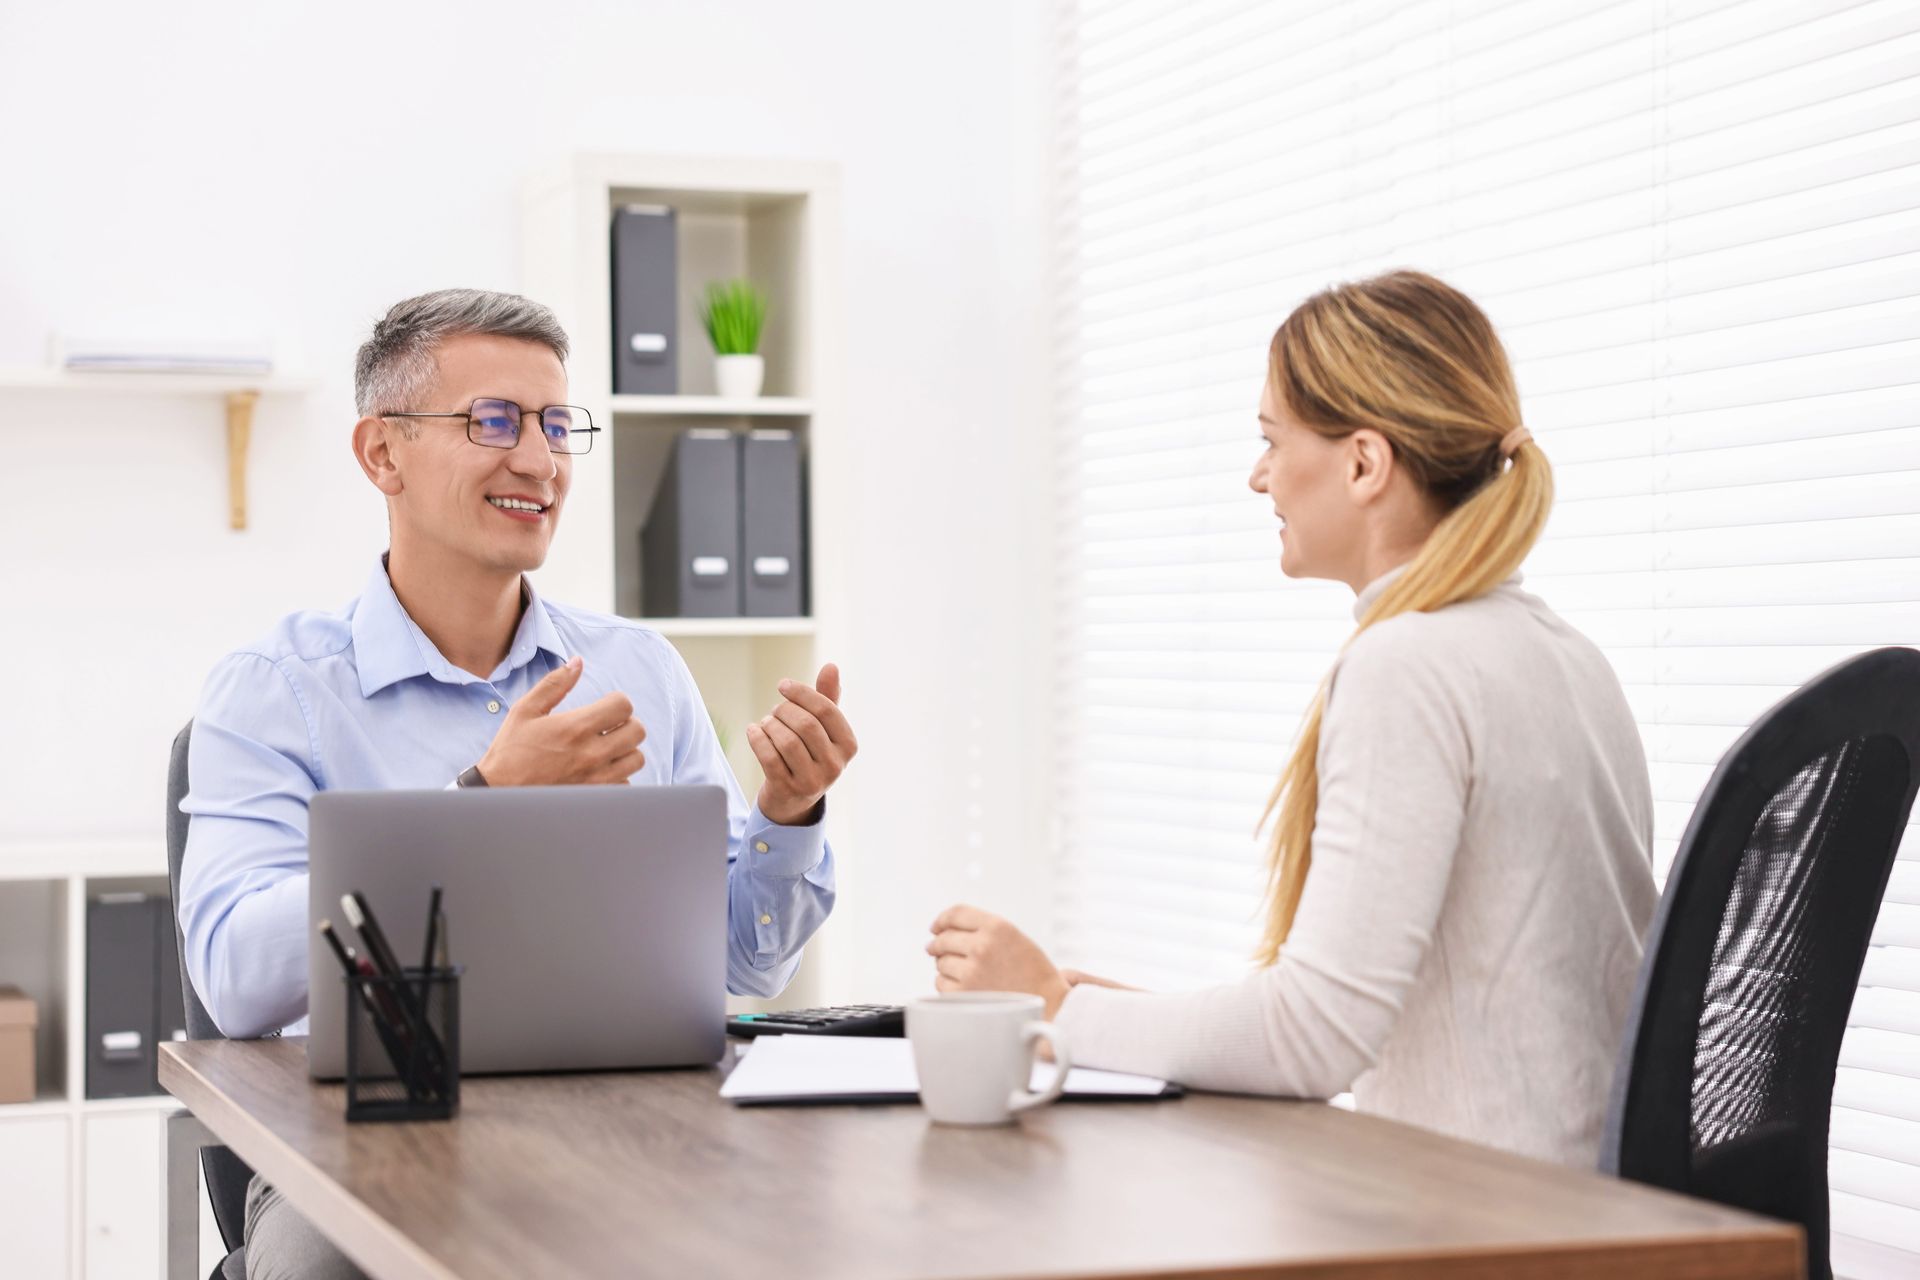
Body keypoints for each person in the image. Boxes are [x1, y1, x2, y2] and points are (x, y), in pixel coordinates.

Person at [179, 288, 857, 1280]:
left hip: (623, 1119)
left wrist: (787, 815)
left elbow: (744, 963)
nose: (538, 460)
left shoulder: (640, 671)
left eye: (554, 424)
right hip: (364, 1137)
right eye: (492, 421)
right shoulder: (275, 691)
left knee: (821, 1231)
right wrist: (482, 803)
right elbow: (237, 979)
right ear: (382, 454)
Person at [927, 270, 1655, 1168]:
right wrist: (1126, 1023)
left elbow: (1316, 1037)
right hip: (1576, 1205)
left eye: (1273, 440)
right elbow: (1354, 1008)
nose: (1258, 475)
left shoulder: (1408, 667)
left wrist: (1053, 1007)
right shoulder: (1565, 655)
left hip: (1482, 1222)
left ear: (1363, 463)